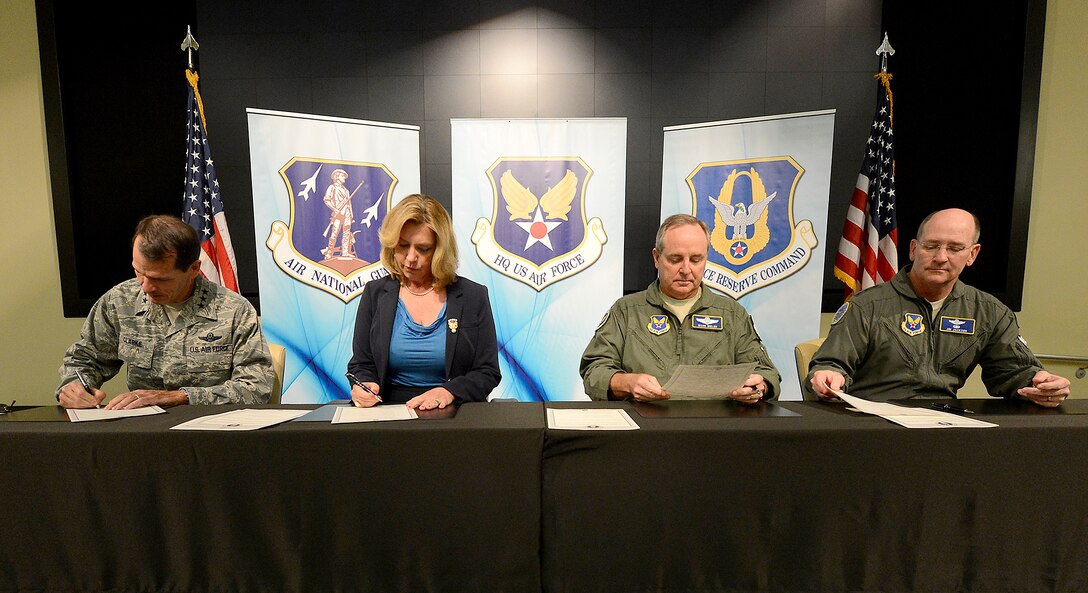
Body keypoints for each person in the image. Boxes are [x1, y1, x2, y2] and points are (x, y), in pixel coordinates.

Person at [808, 208, 1071, 406]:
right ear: (913, 249)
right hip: (873, 423)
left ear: (972, 254)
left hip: (943, 425)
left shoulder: (989, 312)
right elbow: (832, 363)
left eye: (955, 248)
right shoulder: (867, 306)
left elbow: (1015, 371)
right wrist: (829, 374)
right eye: (931, 246)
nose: (941, 257)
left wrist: (1041, 383)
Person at [57, 215, 273, 409]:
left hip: (212, 430)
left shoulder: (233, 310)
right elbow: (86, 359)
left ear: (194, 269)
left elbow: (255, 388)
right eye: (139, 272)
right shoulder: (120, 301)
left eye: (160, 279)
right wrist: (74, 387)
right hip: (143, 429)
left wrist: (180, 397)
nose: (145, 287)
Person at [580, 214, 781, 403]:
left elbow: (766, 372)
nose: (686, 270)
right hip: (644, 421)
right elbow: (594, 370)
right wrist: (626, 383)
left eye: (696, 260)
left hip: (716, 422)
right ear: (657, 258)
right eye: (675, 259)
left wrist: (758, 387)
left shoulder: (732, 314)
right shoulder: (626, 311)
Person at [346, 194, 501, 409]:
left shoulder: (473, 296)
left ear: (440, 250)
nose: (410, 258)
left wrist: (449, 391)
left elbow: (488, 372)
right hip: (389, 413)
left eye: (423, 248)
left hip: (455, 412)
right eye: (403, 246)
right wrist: (364, 385)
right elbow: (362, 364)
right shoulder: (375, 293)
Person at [322, 168, 356, 259]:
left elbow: (349, 204)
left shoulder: (346, 190)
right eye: (342, 176)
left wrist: (351, 216)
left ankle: (345, 252)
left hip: (347, 213)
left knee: (346, 233)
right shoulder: (332, 187)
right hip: (338, 214)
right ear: (337, 177)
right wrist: (334, 209)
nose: (344, 178)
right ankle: (329, 252)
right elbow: (326, 200)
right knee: (335, 233)